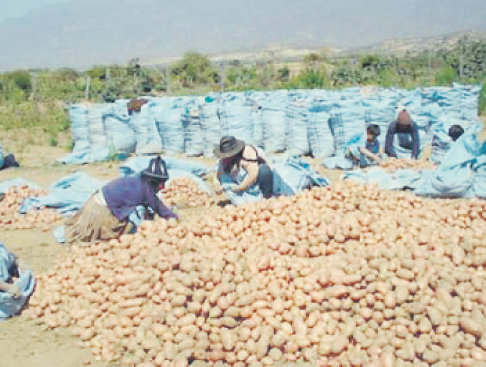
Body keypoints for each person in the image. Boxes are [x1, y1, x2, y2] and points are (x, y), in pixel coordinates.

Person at [65, 156, 178, 244]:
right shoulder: (146, 189)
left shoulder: (138, 181)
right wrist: (174, 218)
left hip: (93, 203)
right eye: (160, 183)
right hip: (99, 212)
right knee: (125, 231)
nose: (161, 186)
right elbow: (159, 207)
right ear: (154, 181)